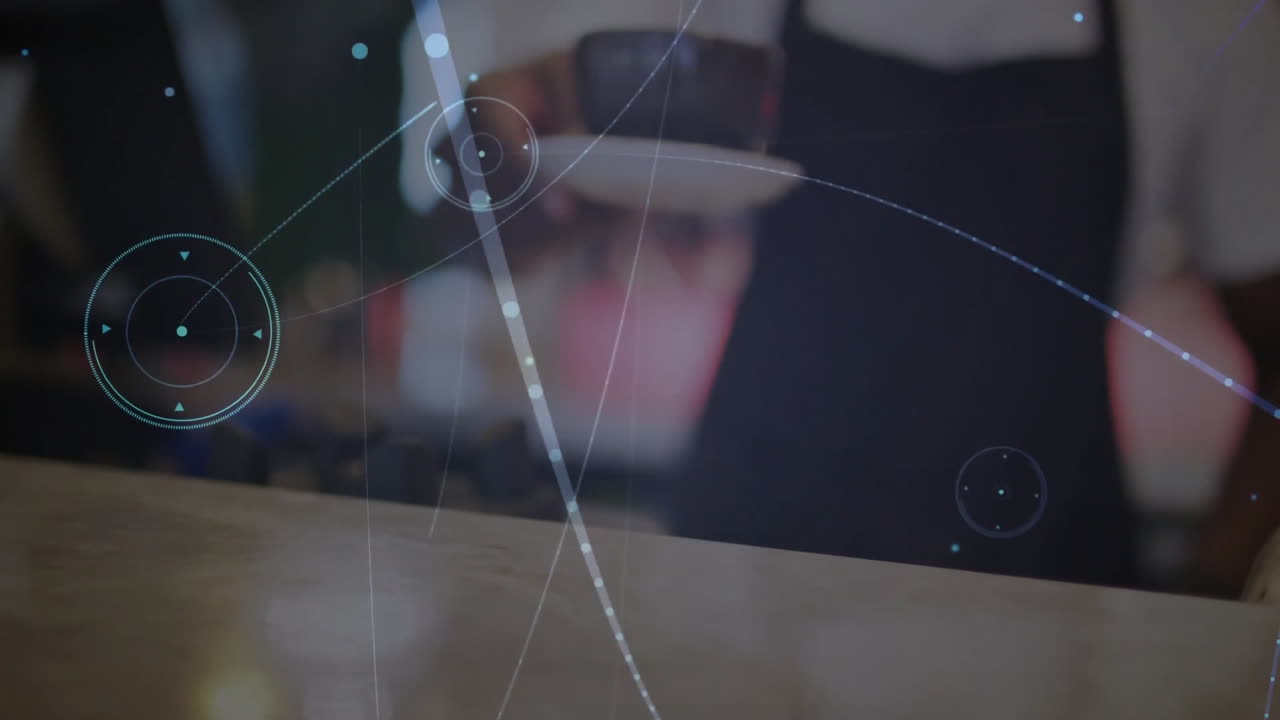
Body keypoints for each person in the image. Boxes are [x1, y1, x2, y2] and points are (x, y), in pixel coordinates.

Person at [408, 0, 1280, 595]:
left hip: (1051, 595)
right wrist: (496, 141)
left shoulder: (1204, 18)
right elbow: (486, 225)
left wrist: (1207, 602)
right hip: (748, 579)